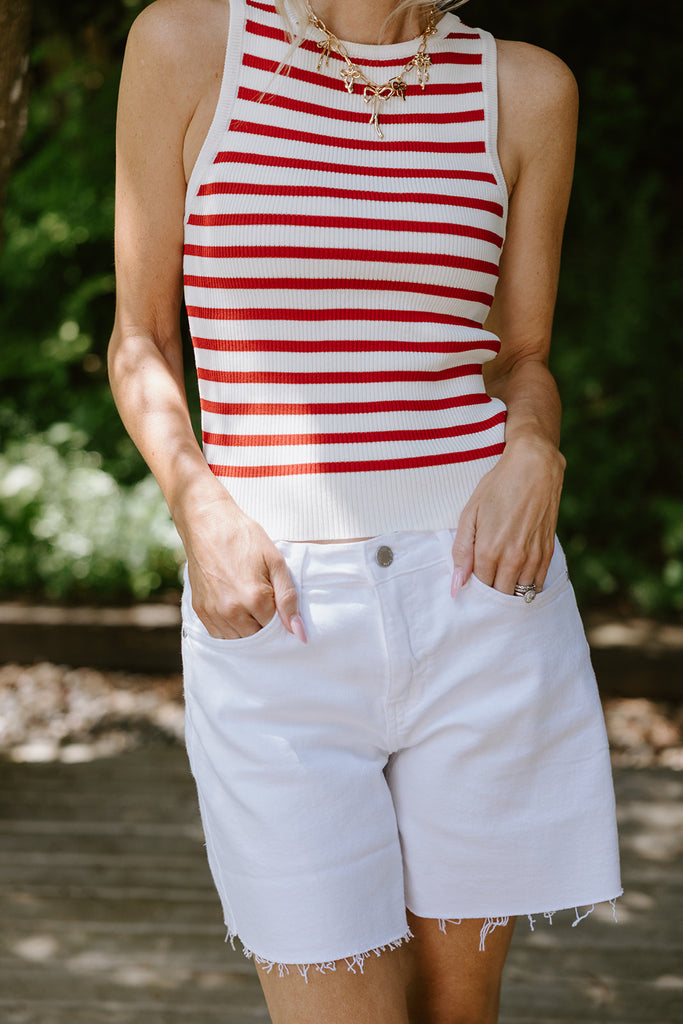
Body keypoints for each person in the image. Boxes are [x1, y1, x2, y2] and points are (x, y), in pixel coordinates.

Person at [108, 0, 622, 1020]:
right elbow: (140, 340)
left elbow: (520, 356)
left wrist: (533, 447)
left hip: (481, 596)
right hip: (274, 606)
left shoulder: (525, 90)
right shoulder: (188, 46)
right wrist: (197, 504)